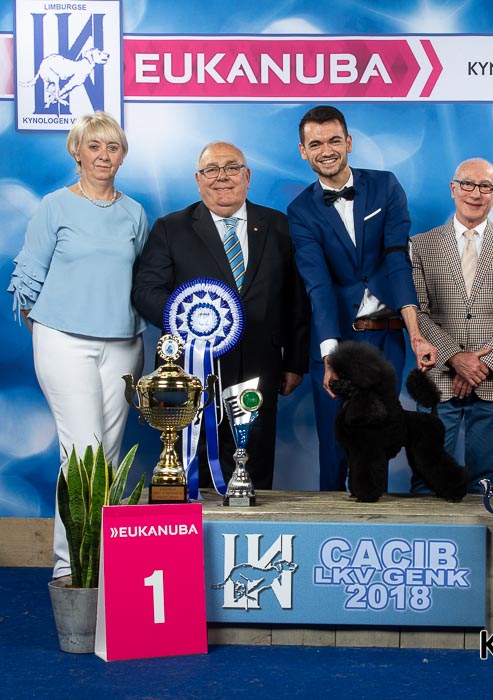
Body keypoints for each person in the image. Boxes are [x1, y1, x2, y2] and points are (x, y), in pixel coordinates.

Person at [7, 111, 148, 581]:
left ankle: (105, 562)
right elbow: (28, 277)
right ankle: (71, 566)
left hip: (124, 343)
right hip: (63, 341)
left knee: (109, 455)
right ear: (77, 152)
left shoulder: (135, 212)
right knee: (82, 452)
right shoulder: (54, 206)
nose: (104, 155)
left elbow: (141, 279)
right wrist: (50, 334)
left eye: (113, 147)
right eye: (94, 146)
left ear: (122, 156)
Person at [132, 141, 309, 491]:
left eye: (231, 168)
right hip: (192, 370)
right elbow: (145, 291)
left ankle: (251, 522)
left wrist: (295, 362)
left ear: (247, 176)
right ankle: (196, 526)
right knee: (191, 464)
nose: (222, 177)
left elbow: (296, 298)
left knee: (254, 465)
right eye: (211, 170)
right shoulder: (171, 228)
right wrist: (190, 319)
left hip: (261, 365)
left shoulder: (278, 225)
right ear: (199, 180)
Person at [287, 105, 436, 492]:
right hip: (335, 337)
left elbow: (397, 259)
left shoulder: (386, 186)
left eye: (334, 140)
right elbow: (317, 285)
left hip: (385, 339)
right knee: (335, 445)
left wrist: (415, 334)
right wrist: (330, 358)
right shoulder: (300, 210)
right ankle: (328, 520)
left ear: (349, 142)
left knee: (376, 443)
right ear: (303, 151)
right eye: (315, 144)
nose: (326, 150)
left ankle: (374, 522)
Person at [411, 158, 493, 493]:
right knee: (426, 476)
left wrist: (481, 366)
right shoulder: (421, 245)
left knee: (482, 481)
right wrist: (455, 359)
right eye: (467, 184)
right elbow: (418, 312)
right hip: (438, 376)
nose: (475, 193)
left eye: (485, 187)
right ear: (453, 189)